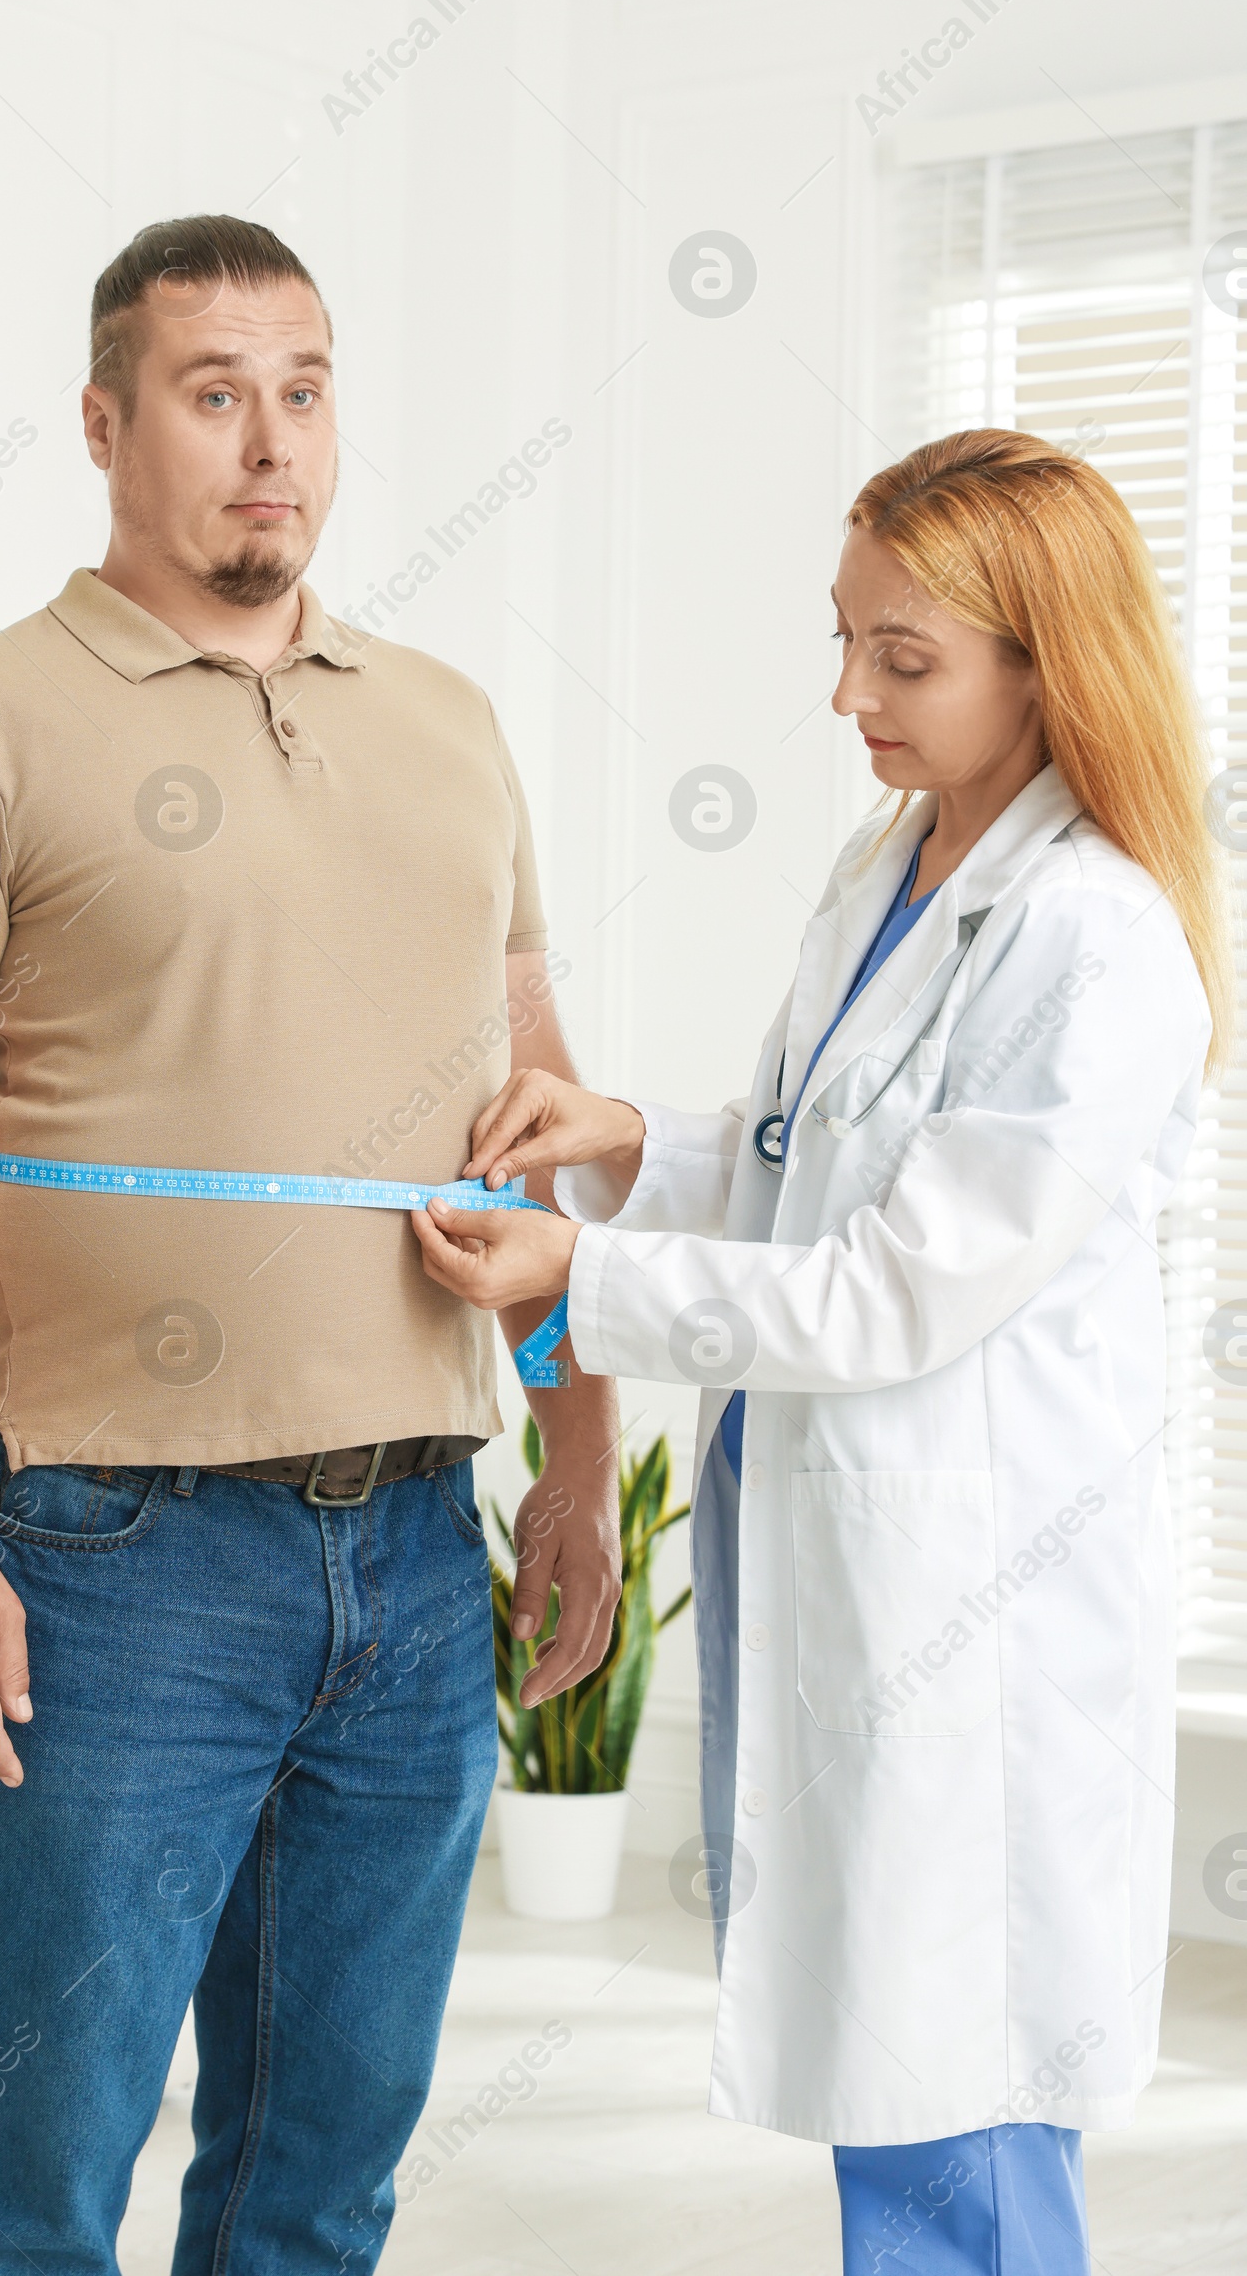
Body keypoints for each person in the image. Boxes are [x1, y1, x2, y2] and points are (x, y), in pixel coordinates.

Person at [0, 213, 621, 2276]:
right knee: (35, 2202)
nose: (269, 444)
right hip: (110, 1562)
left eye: (304, 388)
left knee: (316, 2193)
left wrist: (584, 1462)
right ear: (103, 424)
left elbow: (539, 1124)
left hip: (420, 1554)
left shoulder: (446, 719)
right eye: (209, 394)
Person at [413, 428, 1228, 2272]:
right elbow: (809, 1163)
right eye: (846, 640)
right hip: (866, 1580)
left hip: (979, 1608)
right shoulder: (896, 867)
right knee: (903, 2085)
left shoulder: (1097, 938)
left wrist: (577, 1281)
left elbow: (896, 1286)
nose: (846, 694)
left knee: (962, 2095)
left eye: (903, 659)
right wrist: (626, 1140)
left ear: (1047, 663)